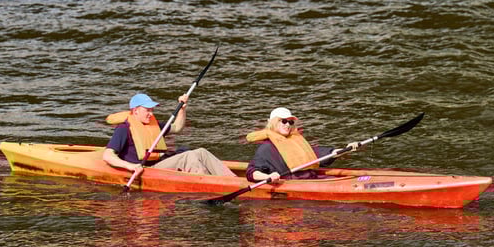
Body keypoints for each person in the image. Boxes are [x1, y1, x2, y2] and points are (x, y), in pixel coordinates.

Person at [103, 93, 236, 177]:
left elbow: (177, 127)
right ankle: (209, 185)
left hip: (159, 163)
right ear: (136, 110)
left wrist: (182, 109)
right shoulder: (123, 129)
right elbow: (108, 155)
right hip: (147, 169)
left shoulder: (153, 125)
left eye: (152, 110)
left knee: (201, 152)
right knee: (188, 157)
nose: (151, 113)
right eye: (147, 110)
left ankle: (232, 180)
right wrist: (130, 166)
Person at [245, 107, 359, 183]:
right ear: (273, 123)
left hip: (312, 178)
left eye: (290, 122)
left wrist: (346, 149)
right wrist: (268, 177)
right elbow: (252, 172)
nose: (287, 125)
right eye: (283, 121)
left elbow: (321, 155)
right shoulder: (266, 148)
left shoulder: (295, 140)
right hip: (293, 182)